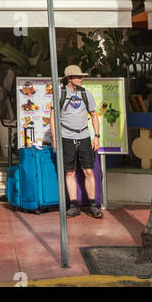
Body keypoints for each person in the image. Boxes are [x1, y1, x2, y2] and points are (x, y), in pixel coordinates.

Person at [45, 65, 102, 220]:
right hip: (66, 136)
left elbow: (94, 115)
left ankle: (92, 205)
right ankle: (74, 205)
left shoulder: (85, 93)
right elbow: (53, 116)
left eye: (81, 76)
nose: (81, 79)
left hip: (84, 136)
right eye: (78, 76)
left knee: (88, 171)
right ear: (69, 78)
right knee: (69, 172)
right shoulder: (60, 93)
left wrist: (96, 136)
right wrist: (55, 139)